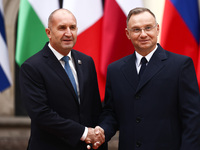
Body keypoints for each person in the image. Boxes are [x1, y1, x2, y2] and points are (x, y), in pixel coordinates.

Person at [98, 7, 200, 150]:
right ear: (127, 34)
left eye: (148, 28)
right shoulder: (115, 70)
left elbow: (192, 118)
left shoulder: (180, 65)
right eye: (136, 30)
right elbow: (111, 113)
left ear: (157, 29)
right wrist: (101, 131)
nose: (143, 34)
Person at [19, 8, 106, 150]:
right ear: (49, 32)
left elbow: (94, 108)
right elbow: (41, 114)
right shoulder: (32, 67)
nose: (68, 33)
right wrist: (84, 133)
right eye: (62, 28)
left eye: (72, 27)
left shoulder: (86, 62)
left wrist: (98, 138)